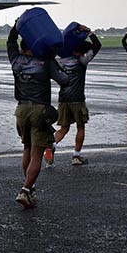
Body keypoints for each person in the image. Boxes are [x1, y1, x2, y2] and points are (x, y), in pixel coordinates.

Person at [7, 24, 68, 209]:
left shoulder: (15, 60)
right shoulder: (45, 62)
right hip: (39, 111)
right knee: (37, 153)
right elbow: (65, 80)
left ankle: (30, 187)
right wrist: (51, 58)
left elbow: (10, 42)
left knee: (27, 148)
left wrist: (17, 27)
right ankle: (25, 190)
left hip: (21, 110)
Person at [46, 26, 101, 166]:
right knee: (80, 127)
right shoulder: (82, 60)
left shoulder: (61, 61)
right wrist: (90, 33)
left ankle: (52, 145)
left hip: (63, 99)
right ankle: (76, 156)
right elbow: (97, 46)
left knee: (64, 128)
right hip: (77, 99)